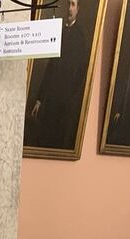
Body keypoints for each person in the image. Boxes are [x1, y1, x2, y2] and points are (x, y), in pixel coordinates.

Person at [26, 0, 88, 148]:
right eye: (68, 4)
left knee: (55, 139)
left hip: (64, 102)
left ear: (78, 9)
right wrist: (39, 99)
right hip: (50, 98)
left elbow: (80, 73)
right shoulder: (57, 32)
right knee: (41, 138)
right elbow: (50, 68)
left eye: (73, 5)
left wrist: (68, 96)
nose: (69, 8)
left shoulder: (80, 38)